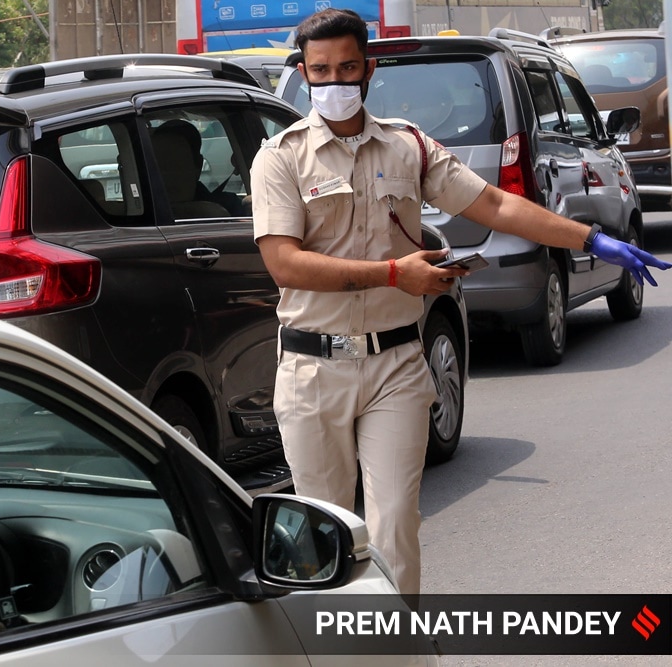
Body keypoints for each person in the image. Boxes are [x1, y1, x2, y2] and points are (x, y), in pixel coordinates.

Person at [250, 8, 671, 596]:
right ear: (303, 73)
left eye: (347, 68)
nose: (335, 84)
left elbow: (496, 207)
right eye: (320, 72)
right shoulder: (280, 157)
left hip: (395, 366)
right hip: (312, 369)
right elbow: (284, 263)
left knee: (396, 525)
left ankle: (396, 655)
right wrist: (396, 273)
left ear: (368, 70)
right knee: (325, 536)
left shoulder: (407, 148)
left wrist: (593, 239)